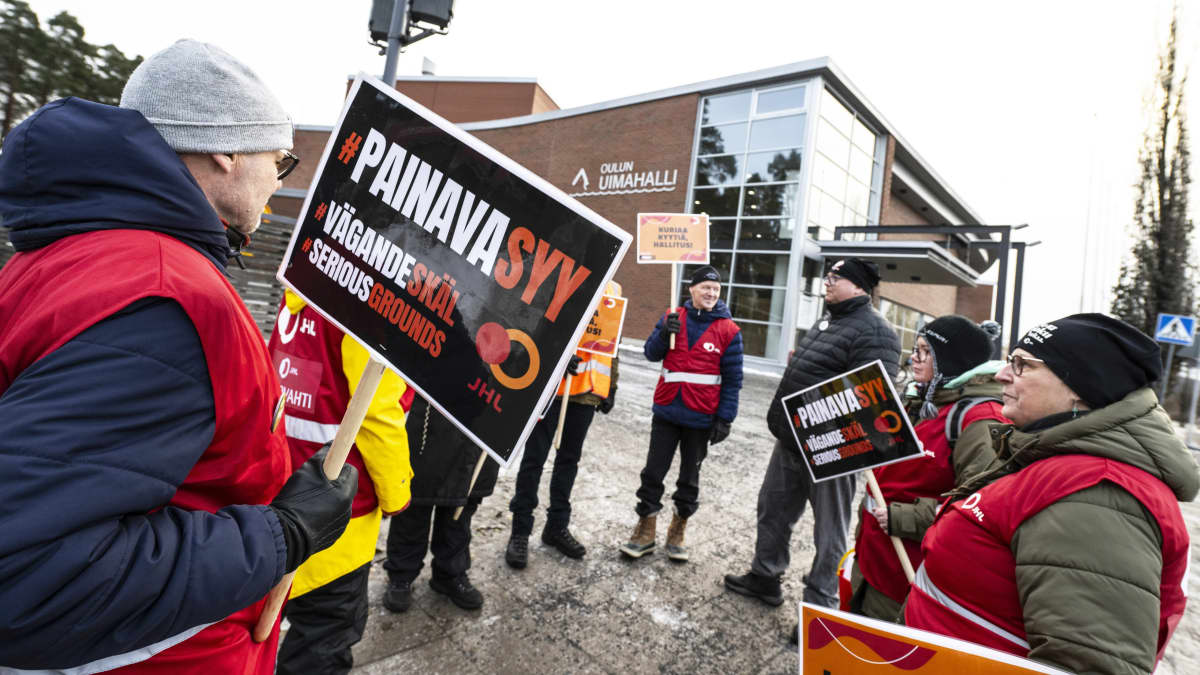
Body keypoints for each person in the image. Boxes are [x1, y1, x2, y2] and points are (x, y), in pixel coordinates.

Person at [0, 40, 356, 673]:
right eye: (281, 159)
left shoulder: (75, 255)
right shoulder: (163, 295)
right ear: (225, 151)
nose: (281, 180)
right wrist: (281, 534)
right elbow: (27, 579)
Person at [904, 314, 1198, 674]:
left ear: (1079, 386)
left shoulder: (1098, 496)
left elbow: (1090, 663)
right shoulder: (1051, 456)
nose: (1001, 374)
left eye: (1022, 364)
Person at [725, 258, 900, 607]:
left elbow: (871, 398)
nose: (827, 282)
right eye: (828, 276)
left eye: (836, 277)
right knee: (772, 510)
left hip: (833, 451)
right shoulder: (828, 320)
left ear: (859, 286)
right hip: (792, 441)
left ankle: (820, 605)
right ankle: (765, 576)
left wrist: (825, 429)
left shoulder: (877, 332)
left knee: (829, 533)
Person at [269, 290, 415, 674]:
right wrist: (396, 494)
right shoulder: (370, 306)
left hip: (279, 492)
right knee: (324, 640)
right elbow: (377, 413)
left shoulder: (301, 292)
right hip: (338, 517)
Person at [848, 315, 1007, 621]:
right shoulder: (921, 399)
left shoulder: (979, 421)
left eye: (924, 351)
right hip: (875, 559)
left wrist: (905, 517)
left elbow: (983, 508)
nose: (913, 358)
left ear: (949, 360)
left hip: (908, 577)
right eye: (915, 348)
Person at [620, 266, 743, 561]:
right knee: (653, 473)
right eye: (706, 288)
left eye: (716, 289)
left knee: (689, 479)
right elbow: (651, 353)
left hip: (701, 417)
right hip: (666, 411)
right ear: (692, 290)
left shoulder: (729, 331)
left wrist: (725, 418)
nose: (711, 293)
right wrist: (664, 333)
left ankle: (677, 531)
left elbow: (734, 380)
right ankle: (645, 530)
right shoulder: (673, 317)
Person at [506, 281, 622, 568]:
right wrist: (556, 359)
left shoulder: (614, 290)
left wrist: (612, 387)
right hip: (553, 391)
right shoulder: (564, 282)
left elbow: (611, 343)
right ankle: (520, 531)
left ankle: (556, 526)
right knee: (534, 461)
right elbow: (537, 329)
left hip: (586, 394)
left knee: (569, 461)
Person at [384, 396, 500, 611]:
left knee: (459, 511)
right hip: (430, 412)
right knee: (415, 503)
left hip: (480, 416)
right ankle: (401, 574)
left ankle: (450, 573)